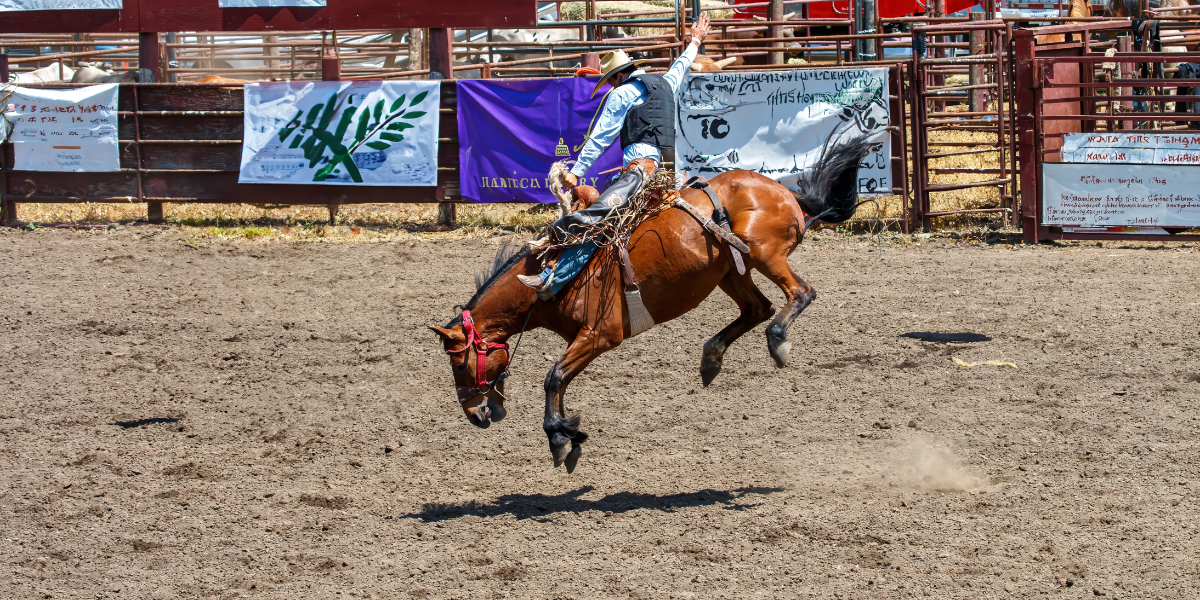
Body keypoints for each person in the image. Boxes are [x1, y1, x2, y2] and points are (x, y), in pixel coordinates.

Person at [517, 14, 711, 295]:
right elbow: (680, 66)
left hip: (640, 173)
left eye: (610, 81)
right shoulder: (666, 83)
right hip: (669, 178)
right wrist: (695, 40)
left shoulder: (622, 94)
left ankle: (552, 278)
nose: (610, 86)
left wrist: (577, 171)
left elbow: (601, 137)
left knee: (596, 217)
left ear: (619, 76)